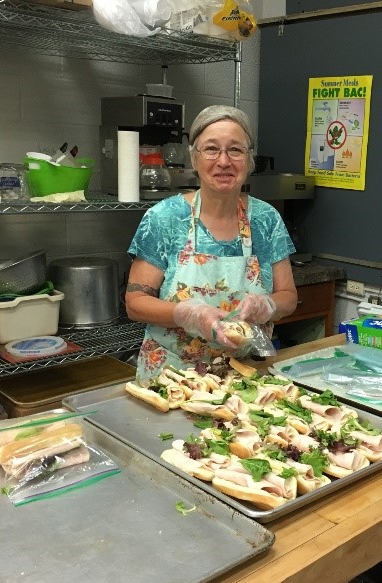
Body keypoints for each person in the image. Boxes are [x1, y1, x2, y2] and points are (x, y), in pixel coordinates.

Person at [125, 105, 298, 383]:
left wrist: (267, 305)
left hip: (244, 373)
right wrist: (189, 314)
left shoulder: (266, 220)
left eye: (235, 150)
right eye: (211, 149)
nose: (224, 161)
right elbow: (135, 304)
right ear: (194, 158)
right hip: (173, 376)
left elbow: (288, 297)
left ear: (249, 160)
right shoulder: (165, 218)